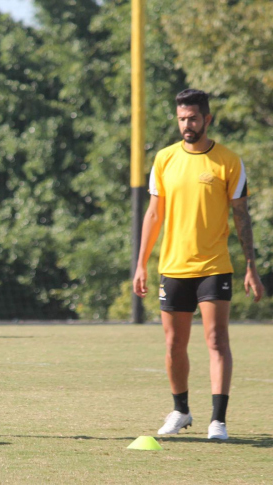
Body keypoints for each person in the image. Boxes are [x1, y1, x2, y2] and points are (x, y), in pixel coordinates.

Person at [133, 89, 264, 440]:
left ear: (207, 119)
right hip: (173, 267)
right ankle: (181, 410)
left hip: (214, 266)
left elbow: (242, 217)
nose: (186, 125)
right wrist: (141, 263)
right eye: (181, 119)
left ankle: (218, 420)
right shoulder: (164, 159)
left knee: (216, 339)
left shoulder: (229, 161)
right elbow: (154, 213)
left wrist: (251, 265)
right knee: (174, 344)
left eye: (192, 118)